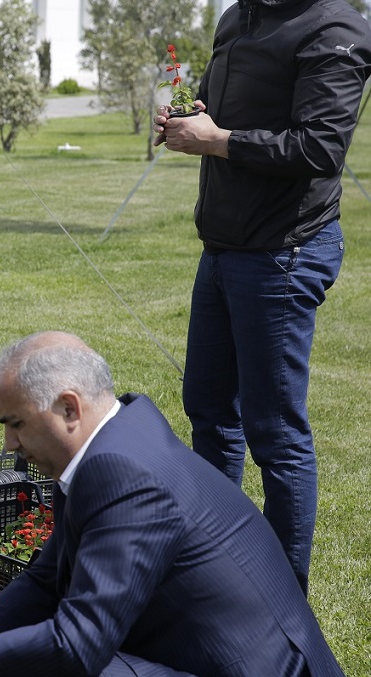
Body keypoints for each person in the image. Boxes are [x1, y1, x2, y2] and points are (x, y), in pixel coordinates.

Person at [0, 331, 346, 677]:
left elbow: (77, 647)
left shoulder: (121, 473)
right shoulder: (108, 444)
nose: (8, 444)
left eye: (16, 423)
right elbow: (46, 581)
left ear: (69, 408)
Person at [152, 0, 371, 594]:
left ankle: (282, 603)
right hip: (223, 246)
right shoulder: (237, 16)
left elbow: (319, 148)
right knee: (209, 411)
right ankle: (214, 576)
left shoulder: (334, 28)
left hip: (283, 251)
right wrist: (189, 119)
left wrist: (219, 141)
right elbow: (220, 108)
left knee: (274, 434)